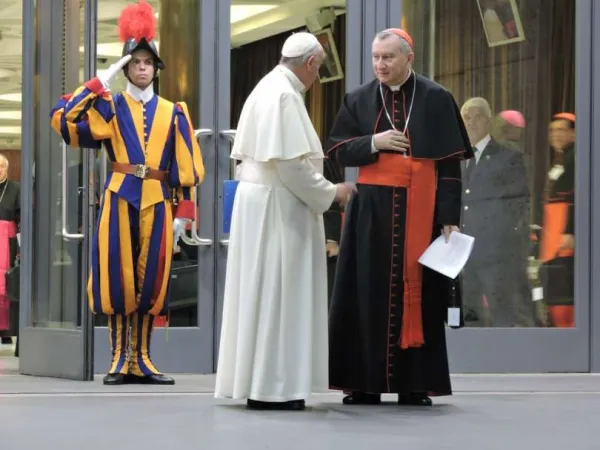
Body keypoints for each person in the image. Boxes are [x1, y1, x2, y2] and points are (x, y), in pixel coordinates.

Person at [49, 0, 204, 385]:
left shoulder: (175, 112)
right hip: (119, 199)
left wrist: (184, 212)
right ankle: (120, 358)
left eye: (147, 63)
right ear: (126, 67)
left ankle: (144, 359)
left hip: (158, 201)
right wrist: (100, 81)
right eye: (134, 63)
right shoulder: (109, 106)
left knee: (152, 280)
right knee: (119, 280)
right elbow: (64, 122)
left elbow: (185, 167)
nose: (141, 68)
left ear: (156, 68)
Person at [326, 28, 473, 406]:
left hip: (421, 210)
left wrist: (448, 217)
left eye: (388, 58)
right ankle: (363, 383)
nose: (380, 65)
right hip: (370, 214)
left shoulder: (437, 98)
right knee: (365, 292)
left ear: (409, 57)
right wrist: (374, 143)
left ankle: (415, 383)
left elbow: (450, 165)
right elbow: (338, 152)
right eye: (376, 57)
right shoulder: (358, 98)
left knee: (421, 293)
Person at [214, 32, 356, 411]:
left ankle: (261, 383)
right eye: (319, 68)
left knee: (262, 294)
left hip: (260, 201)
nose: (317, 75)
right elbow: (292, 167)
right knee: (279, 293)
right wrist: (332, 192)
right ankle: (274, 387)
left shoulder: (266, 86)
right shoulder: (285, 95)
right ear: (311, 63)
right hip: (277, 206)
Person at [460, 97, 532, 327]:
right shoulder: (455, 159)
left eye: (477, 117)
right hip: (463, 256)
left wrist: (497, 237)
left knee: (502, 316)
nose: (471, 123)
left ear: (488, 121)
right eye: (466, 118)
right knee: (468, 318)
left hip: (496, 255)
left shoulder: (508, 157)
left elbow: (517, 202)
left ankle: (504, 364)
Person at [538, 113, 576, 327]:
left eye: (561, 130)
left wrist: (571, 230)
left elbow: (577, 197)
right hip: (553, 232)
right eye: (553, 130)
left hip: (564, 234)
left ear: (573, 133)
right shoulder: (561, 158)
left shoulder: (576, 157)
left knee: (564, 288)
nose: (556, 135)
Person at [0, 154, 20, 356]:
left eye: (2, 166)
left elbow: (22, 217)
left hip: (8, 244)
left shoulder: (16, 188)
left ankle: (6, 331)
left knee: (7, 289)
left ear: (7, 168)